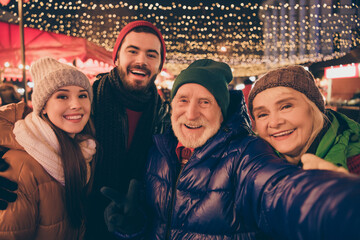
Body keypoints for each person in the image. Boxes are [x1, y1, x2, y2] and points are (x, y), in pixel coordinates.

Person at [130, 59, 360, 239]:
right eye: (183, 100)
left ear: (222, 112)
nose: (191, 114)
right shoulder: (158, 151)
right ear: (171, 105)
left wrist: (334, 202)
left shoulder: (245, 154)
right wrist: (134, 226)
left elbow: (277, 189)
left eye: (205, 102)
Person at [86, 20, 171, 239]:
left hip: (133, 228)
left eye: (152, 55)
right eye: (132, 51)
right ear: (116, 57)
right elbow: (38, 131)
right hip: (78, 223)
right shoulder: (86, 101)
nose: (141, 61)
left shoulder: (165, 118)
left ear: (160, 65)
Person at [0, 57, 96, 239]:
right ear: (43, 107)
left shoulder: (83, 152)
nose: (76, 104)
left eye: (82, 95)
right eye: (62, 96)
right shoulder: (19, 168)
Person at [247, 65, 360, 174]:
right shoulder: (254, 165)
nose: (274, 123)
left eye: (286, 106)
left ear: (314, 109)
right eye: (262, 115)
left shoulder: (355, 163)